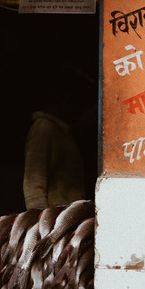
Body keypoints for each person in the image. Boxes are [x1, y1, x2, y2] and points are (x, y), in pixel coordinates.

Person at [22, 80, 86, 210]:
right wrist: (40, 221)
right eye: (76, 102)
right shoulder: (45, 129)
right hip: (55, 220)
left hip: (66, 217)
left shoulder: (60, 130)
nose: (79, 108)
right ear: (65, 99)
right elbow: (33, 181)